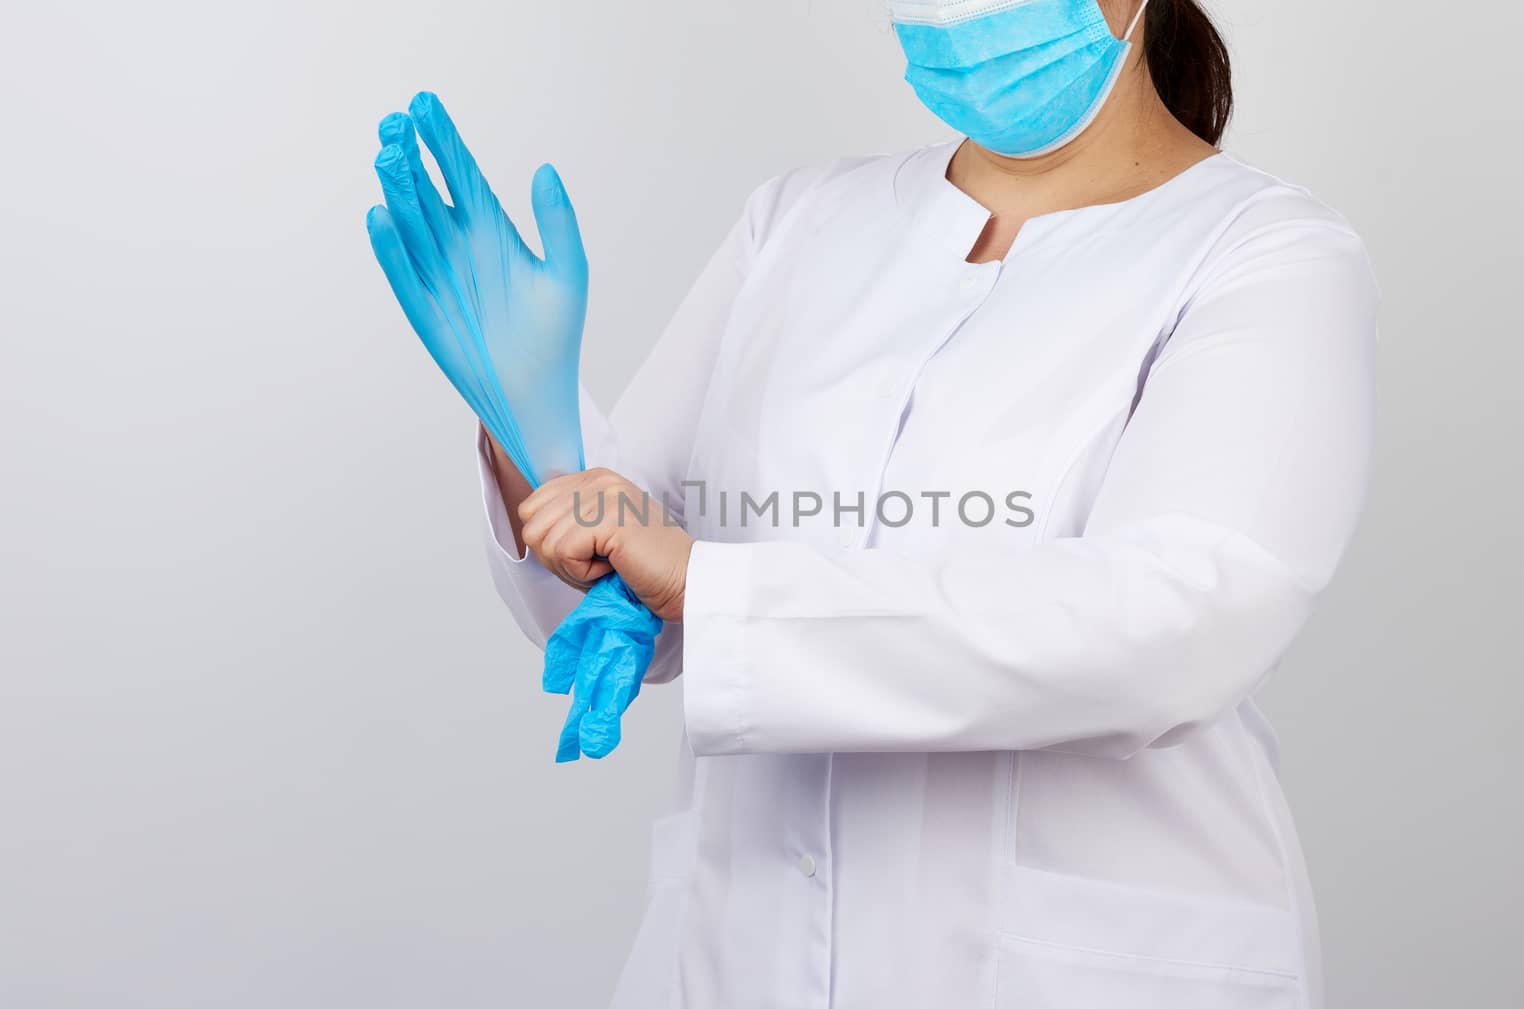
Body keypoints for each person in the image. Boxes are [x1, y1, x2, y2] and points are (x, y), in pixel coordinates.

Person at [482, 1, 1377, 1006]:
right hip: (738, 957)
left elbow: (1181, 621)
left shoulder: (1262, 251)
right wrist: (531, 420)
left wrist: (714, 586)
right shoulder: (799, 222)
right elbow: (619, 588)